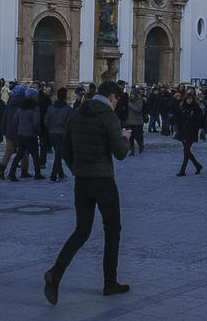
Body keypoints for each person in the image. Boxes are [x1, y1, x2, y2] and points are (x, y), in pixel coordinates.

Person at [43, 80, 131, 305]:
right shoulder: (108, 117)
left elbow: (65, 150)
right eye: (117, 98)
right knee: (113, 229)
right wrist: (125, 137)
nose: (116, 102)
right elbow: (120, 153)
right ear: (112, 97)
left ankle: (56, 272)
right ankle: (110, 282)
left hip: (82, 181)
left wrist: (77, 170)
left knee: (82, 230)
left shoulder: (78, 113)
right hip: (103, 180)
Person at [8, 88, 44, 181]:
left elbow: (15, 120)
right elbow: (36, 122)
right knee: (35, 155)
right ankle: (37, 173)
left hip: (21, 134)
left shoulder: (21, 106)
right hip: (31, 134)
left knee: (19, 154)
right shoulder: (35, 107)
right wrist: (37, 131)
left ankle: (12, 173)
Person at [46, 88, 73, 180]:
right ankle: (54, 174)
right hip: (62, 133)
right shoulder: (68, 109)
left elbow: (46, 121)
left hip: (52, 133)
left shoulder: (51, 108)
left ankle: (60, 173)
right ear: (65, 96)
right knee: (58, 154)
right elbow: (70, 123)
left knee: (58, 153)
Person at [176, 90, 204, 176]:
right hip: (183, 131)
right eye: (187, 99)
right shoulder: (182, 108)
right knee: (186, 150)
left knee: (186, 150)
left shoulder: (196, 108)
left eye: (190, 99)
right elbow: (179, 119)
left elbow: (200, 121)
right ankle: (197, 165)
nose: (189, 100)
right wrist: (179, 128)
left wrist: (195, 127)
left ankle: (183, 170)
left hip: (192, 132)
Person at [124, 86, 146, 156]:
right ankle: (132, 150)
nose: (131, 96)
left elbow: (138, 109)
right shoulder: (128, 101)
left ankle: (140, 144)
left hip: (137, 121)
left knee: (136, 135)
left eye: (132, 94)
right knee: (130, 137)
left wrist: (130, 105)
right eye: (130, 94)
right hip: (129, 121)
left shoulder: (139, 100)